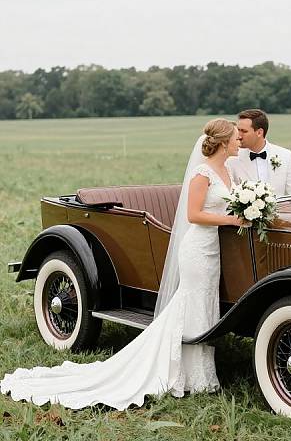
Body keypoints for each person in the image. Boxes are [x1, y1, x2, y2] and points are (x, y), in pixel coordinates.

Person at [0, 118, 245, 410]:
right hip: (197, 248)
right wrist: (231, 219)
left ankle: (203, 373)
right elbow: (193, 214)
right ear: (223, 142)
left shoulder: (229, 171)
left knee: (205, 304)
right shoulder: (202, 173)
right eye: (236, 137)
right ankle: (184, 374)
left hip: (214, 249)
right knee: (192, 303)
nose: (240, 140)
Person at [227, 109, 291, 197]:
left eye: (244, 131)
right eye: (238, 130)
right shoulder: (232, 157)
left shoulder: (285, 155)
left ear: (259, 132)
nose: (239, 136)